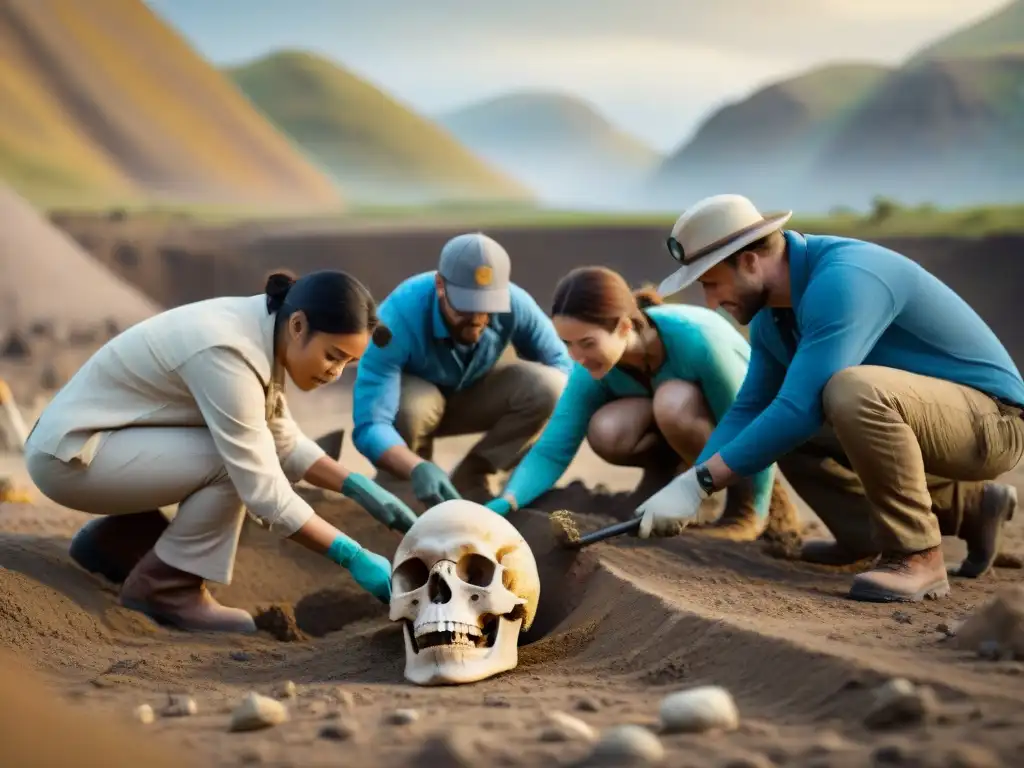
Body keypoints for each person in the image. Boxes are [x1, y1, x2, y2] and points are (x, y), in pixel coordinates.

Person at [636, 193, 1023, 602]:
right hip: (927, 418)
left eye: (712, 283)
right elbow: (751, 408)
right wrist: (689, 482)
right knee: (780, 424)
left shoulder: (844, 279)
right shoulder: (774, 314)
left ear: (749, 261)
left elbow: (800, 408)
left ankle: (917, 554)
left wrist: (702, 483)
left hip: (993, 421)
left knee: (847, 391)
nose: (711, 302)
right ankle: (964, 510)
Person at [24, 270, 419, 633]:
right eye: (332, 355)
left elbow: (281, 436)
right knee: (234, 464)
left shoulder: (264, 328)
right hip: (70, 458)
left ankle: (116, 542)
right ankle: (165, 588)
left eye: (348, 364)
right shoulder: (229, 352)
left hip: (96, 445)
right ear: (298, 326)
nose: (335, 373)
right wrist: (352, 555)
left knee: (243, 452)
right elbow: (263, 489)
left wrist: (361, 490)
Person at [484, 266, 796, 540]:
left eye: (587, 343)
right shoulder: (587, 368)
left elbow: (750, 419)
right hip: (684, 441)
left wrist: (752, 512)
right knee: (607, 429)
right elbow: (553, 449)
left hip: (738, 428)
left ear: (623, 327)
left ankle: (741, 504)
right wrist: (509, 500)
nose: (576, 357)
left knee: (672, 401)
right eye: (567, 344)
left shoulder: (698, 341)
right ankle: (664, 480)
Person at [352, 232, 574, 505]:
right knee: (412, 406)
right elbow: (370, 424)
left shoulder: (515, 303)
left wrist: (539, 457)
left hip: (475, 394)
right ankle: (403, 484)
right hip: (413, 409)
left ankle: (473, 476)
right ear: (440, 286)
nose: (478, 318)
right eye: (466, 306)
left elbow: (564, 367)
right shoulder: (395, 319)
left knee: (552, 387)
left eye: (487, 307)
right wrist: (415, 467)